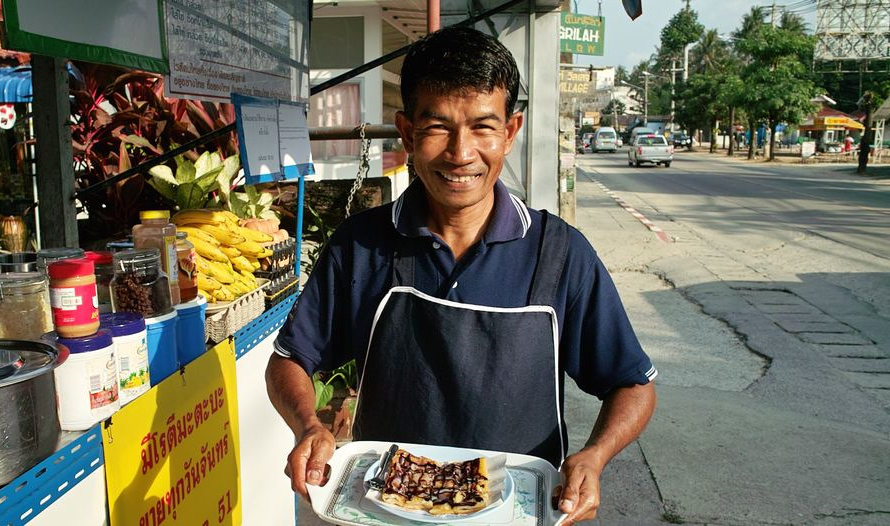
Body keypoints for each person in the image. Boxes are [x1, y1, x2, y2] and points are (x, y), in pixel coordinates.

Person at [265, 26, 657, 524]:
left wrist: (594, 455)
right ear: (406, 132)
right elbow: (289, 359)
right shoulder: (360, 245)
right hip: (386, 511)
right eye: (438, 128)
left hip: (517, 512)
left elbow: (633, 384)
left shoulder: (559, 255)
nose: (461, 152)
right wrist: (307, 427)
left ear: (510, 132)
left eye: (482, 127)